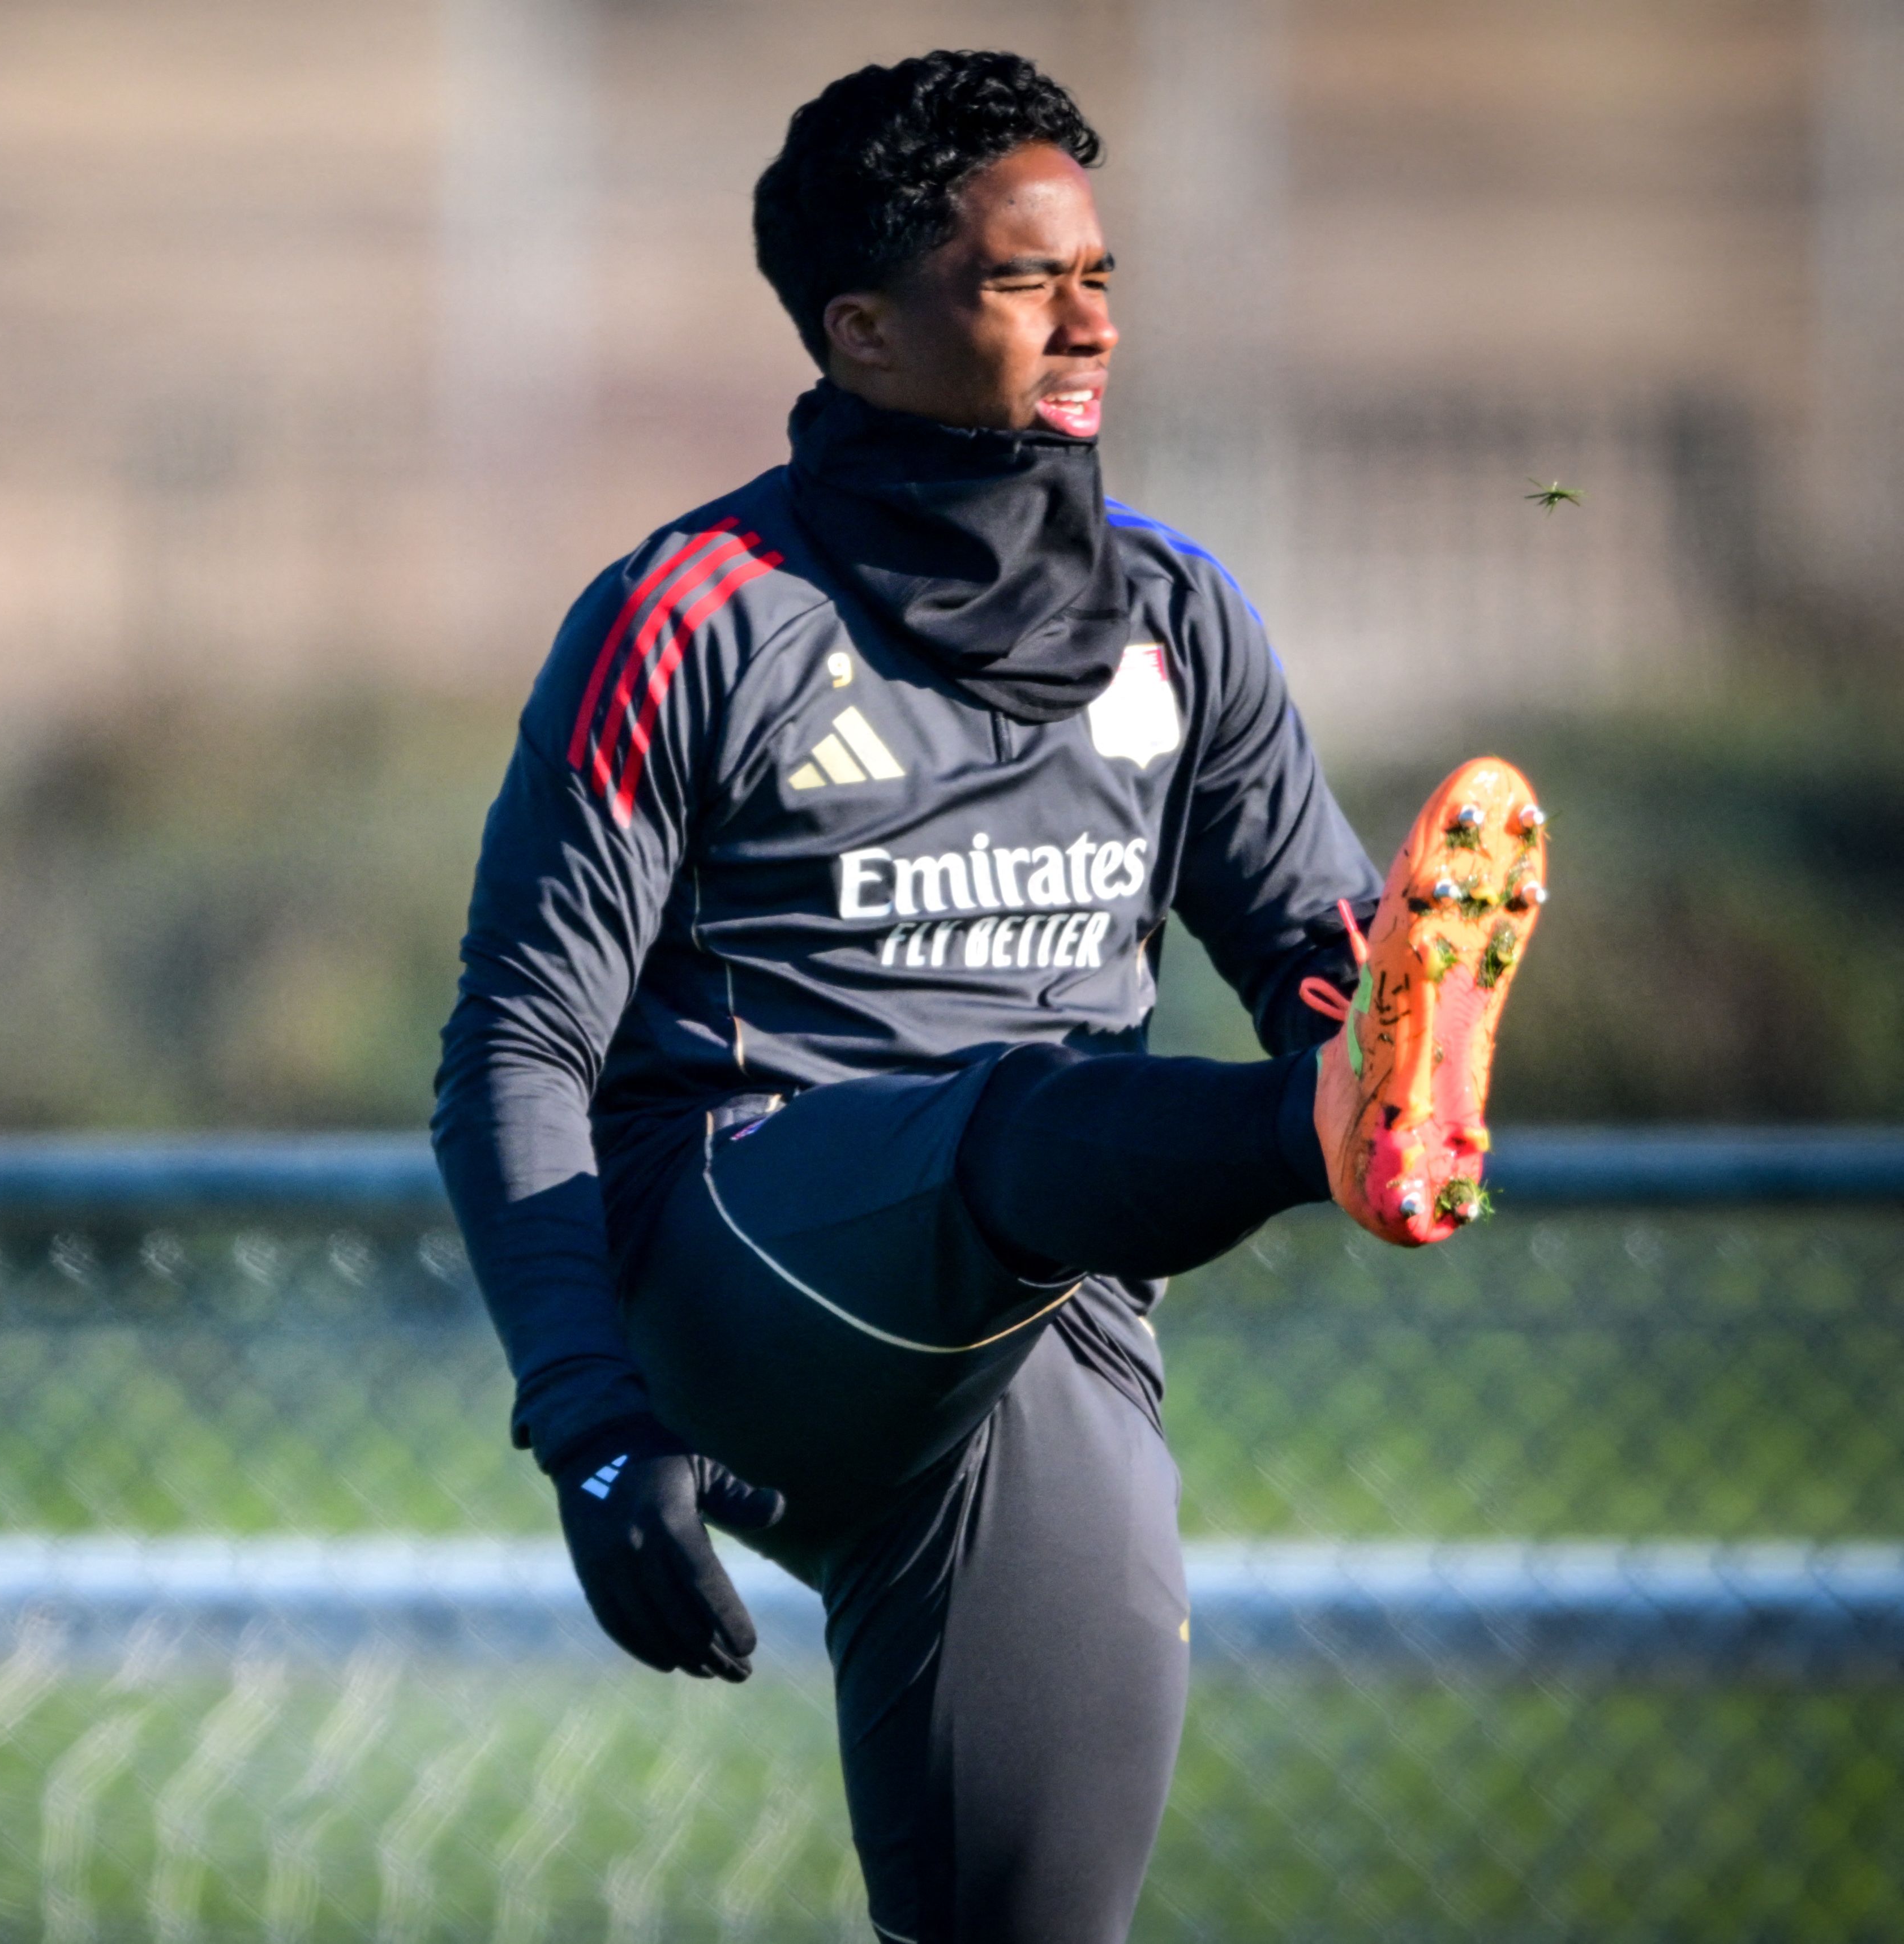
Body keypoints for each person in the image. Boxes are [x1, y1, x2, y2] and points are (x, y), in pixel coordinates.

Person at [428, 49, 1549, 1944]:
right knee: (1025, 1113)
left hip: (1041, 1323)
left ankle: (1335, 1116)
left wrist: (1346, 1006)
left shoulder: (1177, 614)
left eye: (1098, 268)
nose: (1092, 312)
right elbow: (513, 1049)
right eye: (1025, 278)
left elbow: (1311, 949)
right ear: (864, 331)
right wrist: (592, 1423)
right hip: (735, 1272)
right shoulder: (693, 615)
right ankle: (1324, 1133)